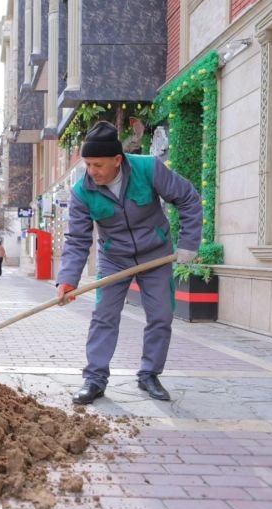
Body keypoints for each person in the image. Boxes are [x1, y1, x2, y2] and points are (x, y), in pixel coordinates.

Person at [55, 121, 202, 405]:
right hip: (114, 257)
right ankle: (95, 379)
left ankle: (149, 374)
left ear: (117, 160)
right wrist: (67, 280)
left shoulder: (149, 169)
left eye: (98, 164)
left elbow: (188, 198)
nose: (91, 171)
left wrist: (188, 245)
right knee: (104, 316)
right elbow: (76, 240)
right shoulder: (82, 192)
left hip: (156, 253)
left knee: (161, 315)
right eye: (88, 164)